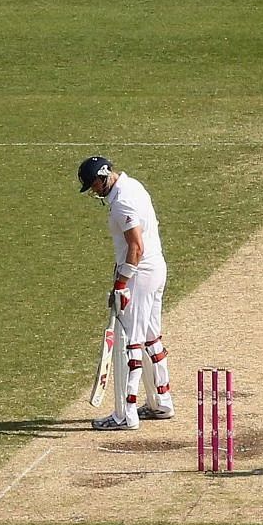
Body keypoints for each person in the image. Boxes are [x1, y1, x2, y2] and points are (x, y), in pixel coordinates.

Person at [78, 155, 173, 430]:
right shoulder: (133, 186)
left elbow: (136, 246)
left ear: (103, 176)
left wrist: (121, 283)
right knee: (151, 337)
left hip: (139, 274)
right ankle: (161, 402)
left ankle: (125, 415)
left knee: (129, 343)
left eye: (93, 185)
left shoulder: (122, 202)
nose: (93, 191)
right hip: (154, 269)